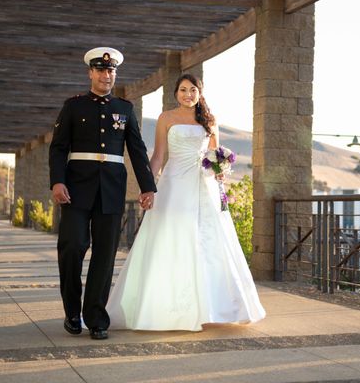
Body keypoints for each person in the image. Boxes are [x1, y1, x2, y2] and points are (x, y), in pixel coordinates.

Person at [107, 73, 266, 331]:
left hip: (205, 186)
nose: (188, 94)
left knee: (210, 241)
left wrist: (221, 171)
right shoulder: (166, 119)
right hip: (174, 184)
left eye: (193, 90)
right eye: (183, 90)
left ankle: (213, 308)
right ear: (176, 93)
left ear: (199, 93)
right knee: (173, 237)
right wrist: (148, 186)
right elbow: (158, 156)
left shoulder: (210, 121)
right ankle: (168, 308)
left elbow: (216, 156)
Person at [49, 47, 157, 340]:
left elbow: (136, 149)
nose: (106, 75)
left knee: (105, 254)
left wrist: (148, 187)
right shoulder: (73, 106)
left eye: (110, 71)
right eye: (100, 70)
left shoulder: (125, 108)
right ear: (90, 73)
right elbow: (58, 147)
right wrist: (57, 182)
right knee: (72, 246)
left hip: (110, 190)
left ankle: (96, 317)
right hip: (76, 188)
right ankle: (72, 311)